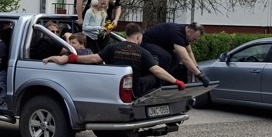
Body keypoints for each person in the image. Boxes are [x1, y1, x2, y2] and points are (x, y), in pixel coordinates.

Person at [43, 22, 187, 95]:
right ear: (138, 37)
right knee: (154, 76)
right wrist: (176, 81)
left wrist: (75, 58)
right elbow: (157, 70)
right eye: (141, 38)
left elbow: (94, 59)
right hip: (134, 90)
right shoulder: (143, 52)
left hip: (112, 87)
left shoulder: (112, 47)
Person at [141, 21, 209, 85]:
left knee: (175, 58)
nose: (194, 41)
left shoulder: (185, 31)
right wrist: (199, 75)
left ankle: (166, 80)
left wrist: (196, 67)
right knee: (166, 56)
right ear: (189, 32)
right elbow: (185, 58)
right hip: (146, 43)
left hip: (159, 45)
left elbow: (189, 52)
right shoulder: (177, 34)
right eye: (194, 39)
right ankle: (157, 81)